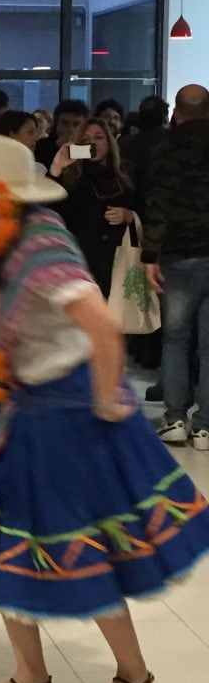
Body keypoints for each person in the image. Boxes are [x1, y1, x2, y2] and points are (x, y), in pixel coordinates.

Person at [0, 134, 209, 683]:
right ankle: (30, 676)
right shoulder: (10, 245)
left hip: (71, 416)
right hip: (34, 413)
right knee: (5, 539)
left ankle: (134, 675)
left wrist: (104, 402)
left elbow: (101, 324)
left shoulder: (41, 247)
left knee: (80, 546)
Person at [142, 84, 209, 449]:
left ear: (177, 113)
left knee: (176, 340)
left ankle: (175, 419)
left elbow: (159, 206)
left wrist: (150, 257)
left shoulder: (166, 150)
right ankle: (206, 427)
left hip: (179, 257)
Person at [48, 118, 136, 297]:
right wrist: (56, 168)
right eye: (85, 141)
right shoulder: (71, 177)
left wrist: (129, 216)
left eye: (98, 138)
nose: (92, 144)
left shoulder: (127, 174)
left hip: (119, 260)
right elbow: (49, 213)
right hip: (82, 261)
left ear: (109, 142)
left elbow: (144, 211)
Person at [35, 98, 89, 169]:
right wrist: (55, 147)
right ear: (56, 123)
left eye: (76, 124)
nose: (70, 129)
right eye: (65, 123)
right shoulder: (40, 146)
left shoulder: (89, 148)